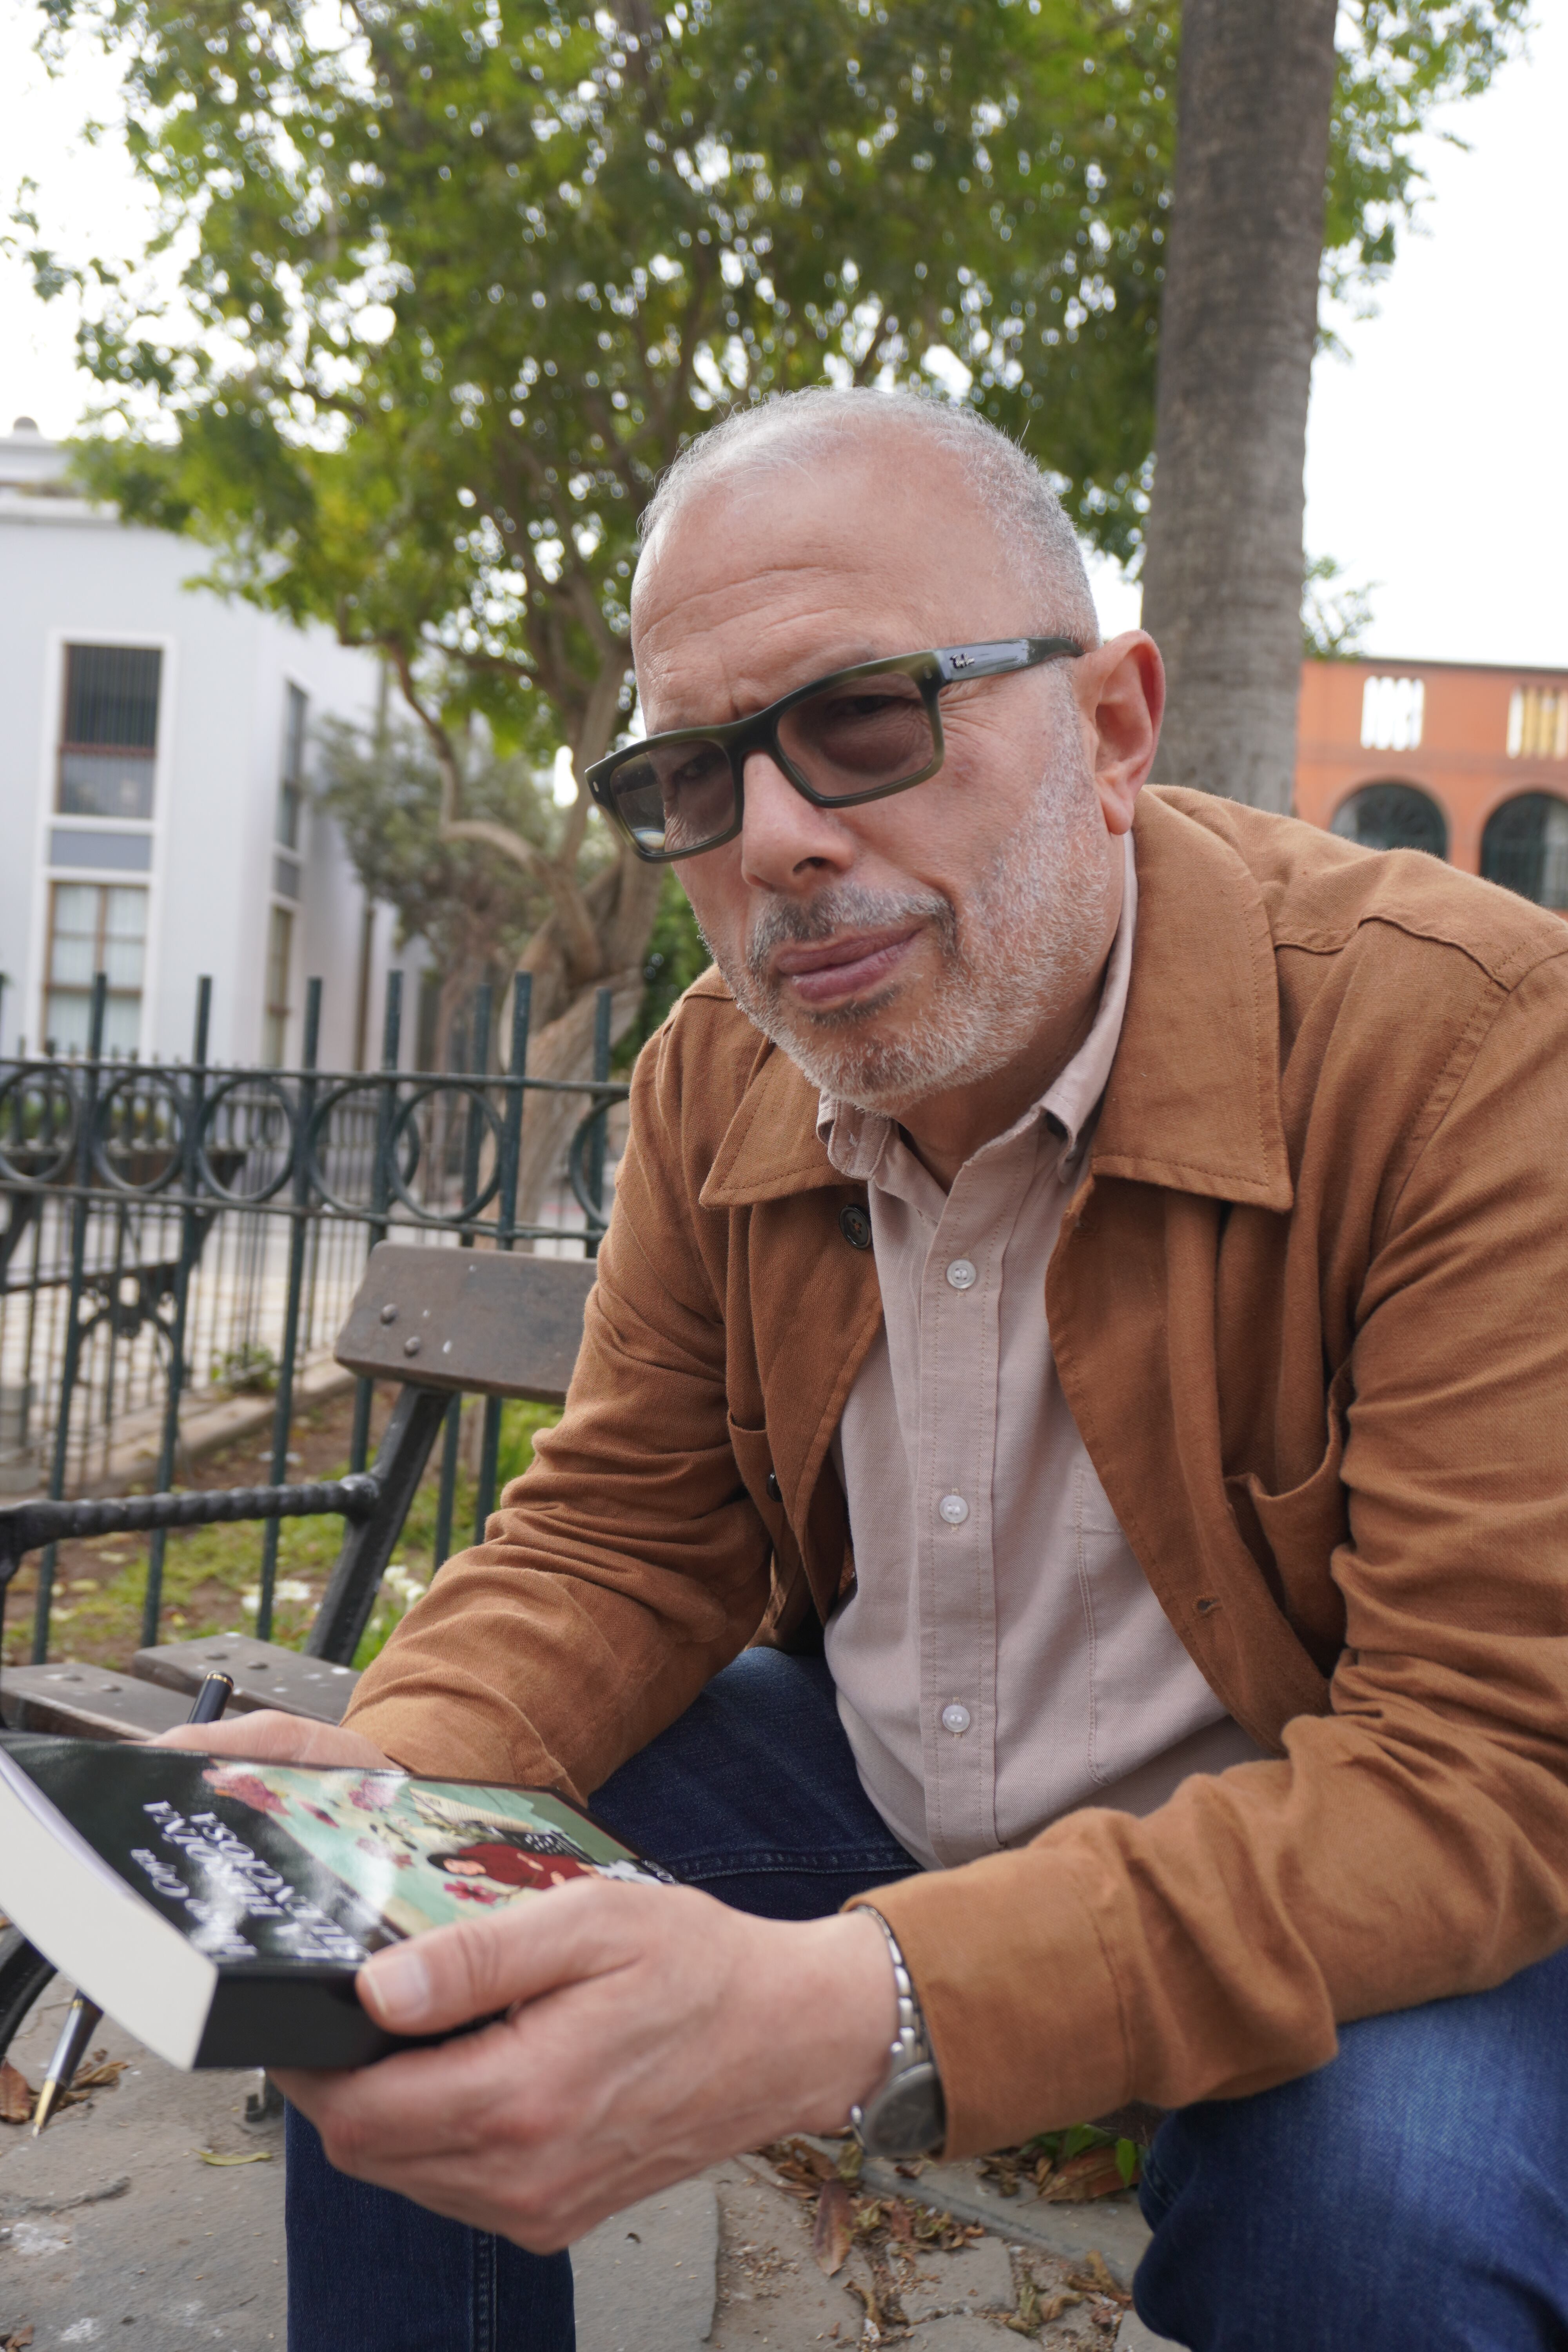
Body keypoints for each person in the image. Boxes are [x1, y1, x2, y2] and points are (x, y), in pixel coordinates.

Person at [166, 388, 1568, 2352]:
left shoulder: (1471, 1051)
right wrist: (383, 1779)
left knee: (1378, 2237)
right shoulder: (720, 1072)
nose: (779, 842)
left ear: (1110, 728)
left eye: (865, 720)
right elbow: (624, 1536)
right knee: (397, 1941)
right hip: (902, 1790)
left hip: (1342, 1861)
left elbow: (1481, 1772)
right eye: (695, 777)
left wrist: (873, 1997)